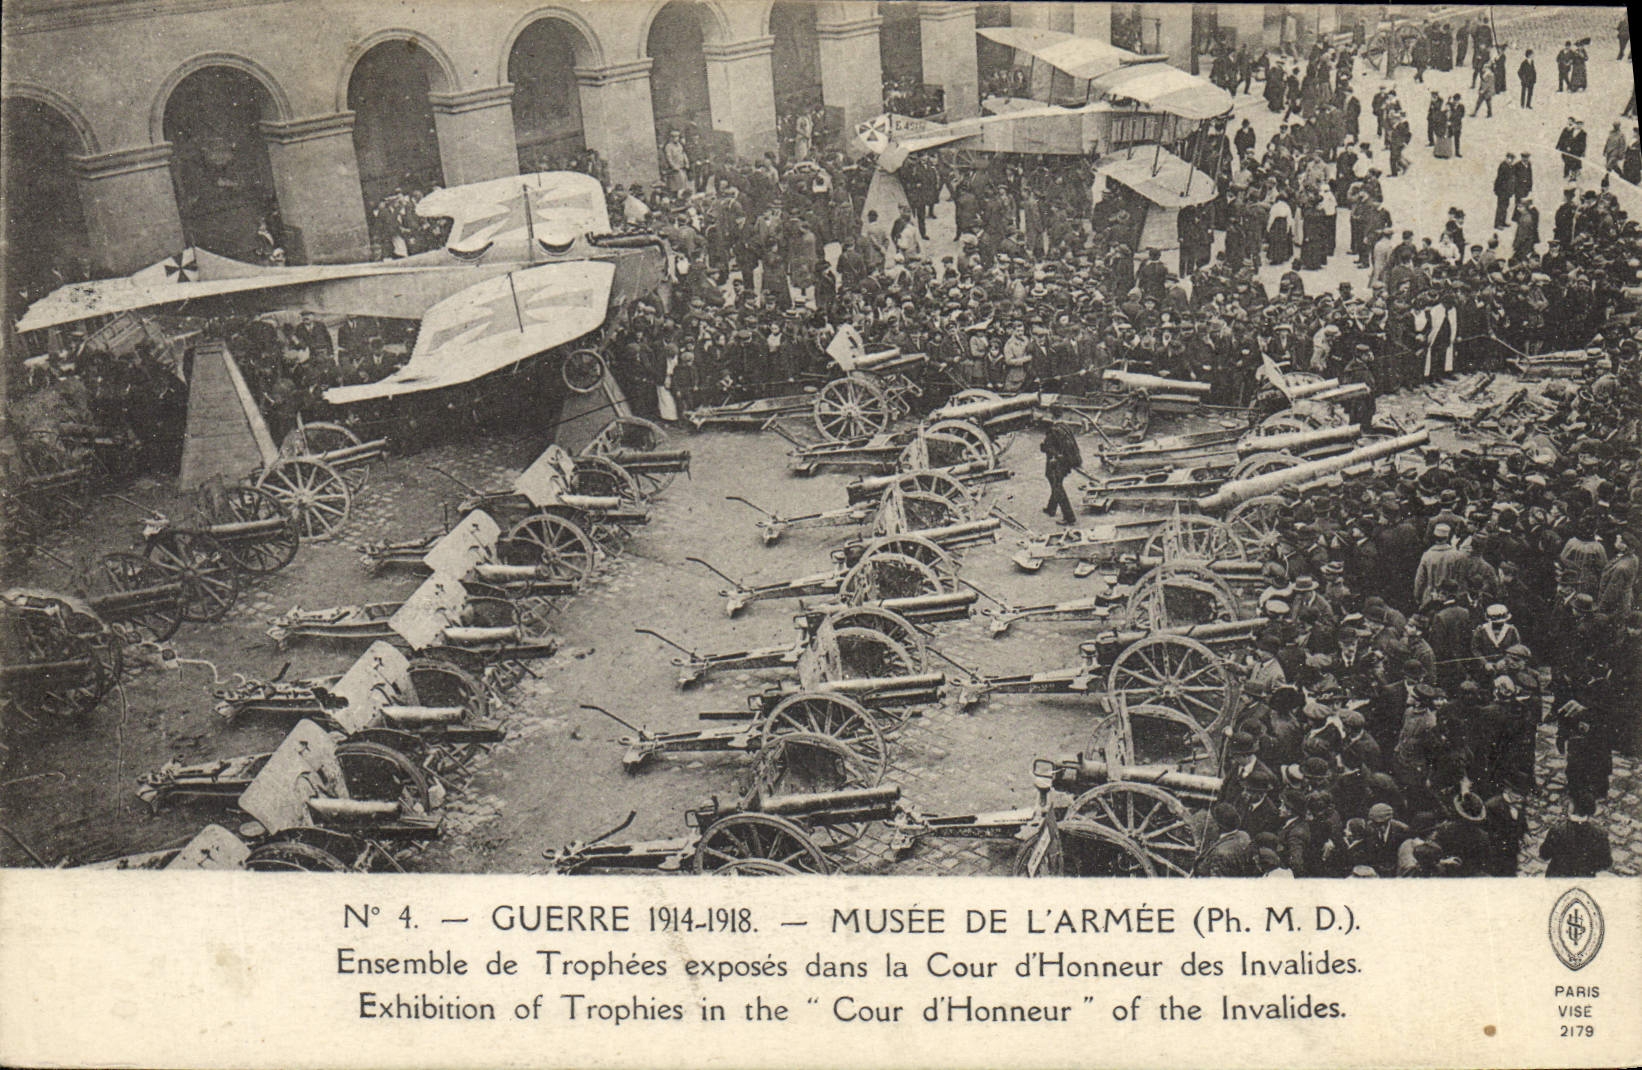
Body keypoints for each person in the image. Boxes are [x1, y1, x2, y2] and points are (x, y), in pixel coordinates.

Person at [1537, 792, 1612, 877]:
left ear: (1572, 808)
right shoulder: (1600, 834)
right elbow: (1606, 863)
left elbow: (1544, 854)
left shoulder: (1557, 831)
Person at [1038, 418, 1081, 526]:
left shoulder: (1051, 434)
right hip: (1066, 462)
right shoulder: (1063, 426)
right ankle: (1051, 508)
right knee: (1057, 485)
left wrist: (1043, 446)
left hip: (1056, 465)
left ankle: (1069, 517)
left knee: (1058, 488)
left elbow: (1048, 449)